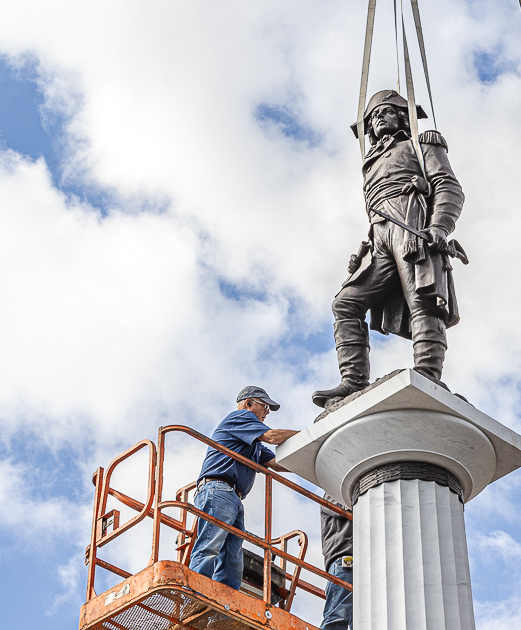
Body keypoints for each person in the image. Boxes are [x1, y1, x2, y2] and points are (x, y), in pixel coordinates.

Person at [312, 90, 466, 408]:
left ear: (402, 117)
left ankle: (428, 374)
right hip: (379, 235)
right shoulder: (370, 163)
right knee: (346, 304)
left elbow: (448, 187)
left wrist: (439, 227)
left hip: (411, 224)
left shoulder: (422, 144)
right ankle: (353, 381)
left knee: (424, 298)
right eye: (375, 114)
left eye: (387, 111)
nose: (380, 116)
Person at [188, 387, 298, 591]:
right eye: (264, 406)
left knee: (232, 557)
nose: (266, 412)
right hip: (219, 490)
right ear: (248, 403)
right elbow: (272, 436)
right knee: (209, 546)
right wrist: (310, 436)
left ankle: (224, 606)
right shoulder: (240, 418)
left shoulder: (252, 444)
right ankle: (193, 594)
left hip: (232, 497)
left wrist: (311, 462)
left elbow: (276, 463)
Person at [317, 506, 353, 630]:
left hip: (363, 566)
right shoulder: (332, 493)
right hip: (346, 561)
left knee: (364, 625)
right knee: (338, 615)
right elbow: (351, 505)